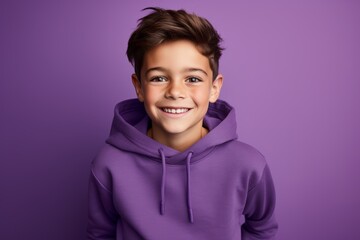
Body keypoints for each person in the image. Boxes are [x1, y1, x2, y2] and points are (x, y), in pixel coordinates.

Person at [87, 7, 278, 240]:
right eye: (159, 78)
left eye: (193, 79)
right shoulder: (109, 164)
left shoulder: (248, 164)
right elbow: (100, 234)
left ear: (214, 88)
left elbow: (262, 230)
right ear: (139, 87)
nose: (175, 91)